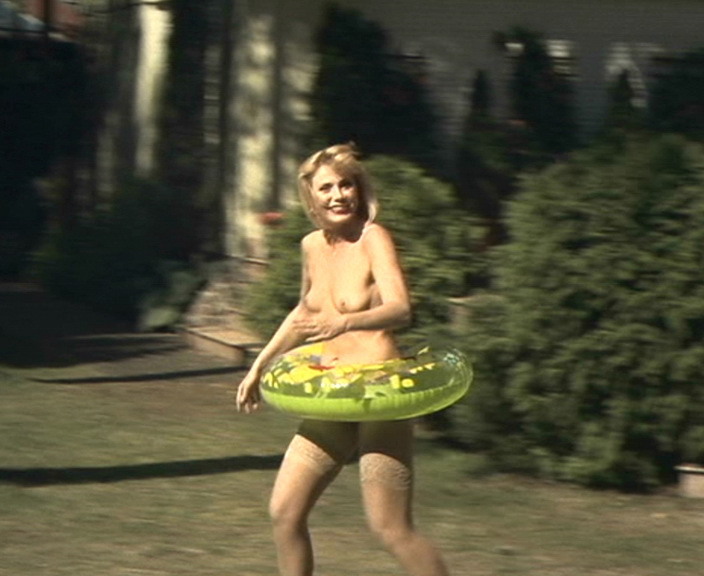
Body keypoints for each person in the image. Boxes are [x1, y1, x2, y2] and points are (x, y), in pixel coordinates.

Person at [236, 143, 450, 576]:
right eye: (327, 188)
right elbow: (304, 312)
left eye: (346, 184)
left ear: (359, 188)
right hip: (333, 393)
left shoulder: (374, 238)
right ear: (311, 196)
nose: (338, 195)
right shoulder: (311, 246)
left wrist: (344, 322)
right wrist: (259, 365)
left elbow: (401, 309)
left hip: (379, 394)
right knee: (284, 513)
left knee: (390, 528)